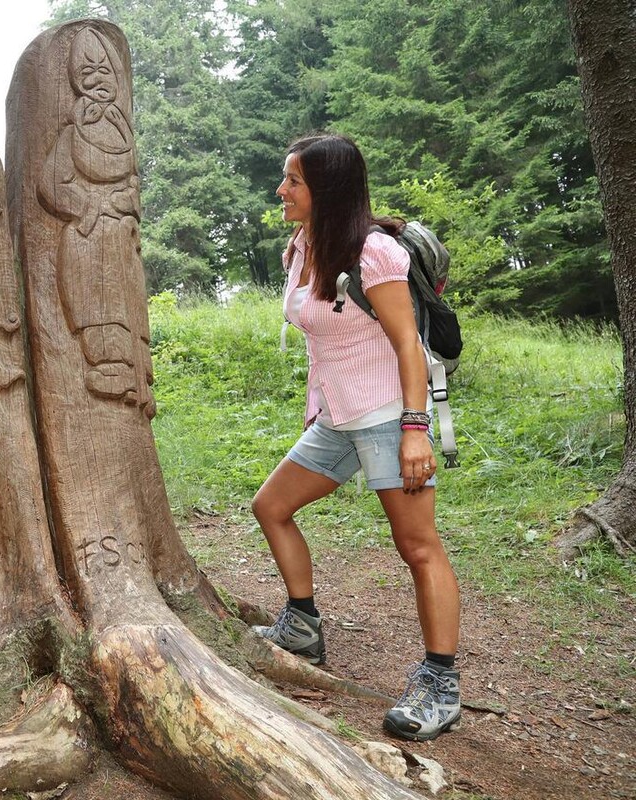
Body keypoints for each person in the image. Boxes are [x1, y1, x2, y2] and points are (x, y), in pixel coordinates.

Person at [250, 133, 462, 742]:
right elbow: (322, 342)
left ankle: (441, 685)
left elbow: (407, 346)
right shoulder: (303, 247)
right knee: (271, 506)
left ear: (327, 188)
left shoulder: (373, 252)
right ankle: (302, 628)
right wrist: (316, 406)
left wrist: (415, 431)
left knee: (417, 546)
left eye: (293, 180)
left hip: (389, 415)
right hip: (336, 418)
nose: (281, 190)